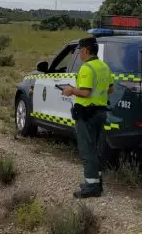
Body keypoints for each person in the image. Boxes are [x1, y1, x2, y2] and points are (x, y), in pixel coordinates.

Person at [62, 37, 114, 198]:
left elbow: (85, 92)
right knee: (96, 148)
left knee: (87, 149)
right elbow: (110, 89)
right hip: (101, 112)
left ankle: (91, 187)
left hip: (86, 114)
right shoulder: (104, 66)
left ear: (86, 50)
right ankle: (95, 182)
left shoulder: (87, 68)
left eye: (80, 50)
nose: (79, 53)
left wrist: (71, 90)